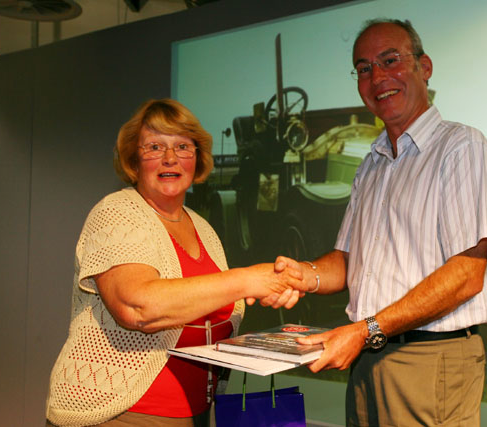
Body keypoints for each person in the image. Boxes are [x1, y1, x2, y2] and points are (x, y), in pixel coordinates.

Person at [272, 19, 487, 426]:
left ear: (424, 67)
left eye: (390, 60)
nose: (377, 77)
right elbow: (348, 260)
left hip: (428, 359)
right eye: (364, 68)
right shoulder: (372, 163)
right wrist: (304, 275)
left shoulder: (460, 147)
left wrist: (365, 331)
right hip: (369, 357)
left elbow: (467, 275)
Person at [45, 98, 306, 427]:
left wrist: (270, 300)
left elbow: (209, 310)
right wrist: (248, 280)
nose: (170, 158)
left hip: (195, 415)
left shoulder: (204, 229)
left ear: (197, 158)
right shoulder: (116, 212)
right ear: (134, 159)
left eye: (182, 146)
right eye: (155, 146)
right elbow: (137, 307)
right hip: (120, 415)